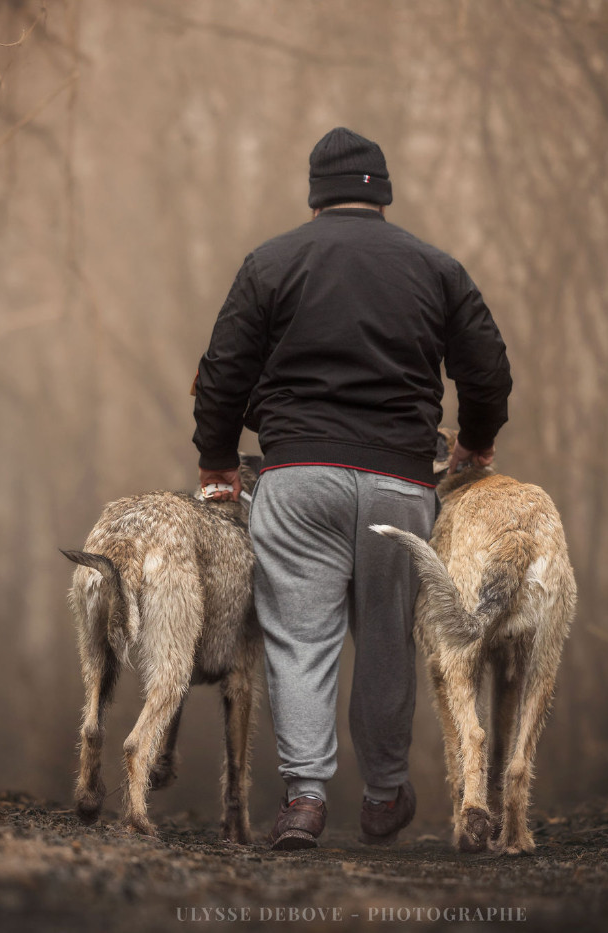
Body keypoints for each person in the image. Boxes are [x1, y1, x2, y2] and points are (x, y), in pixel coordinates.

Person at [192, 127, 511, 850]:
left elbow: (223, 369)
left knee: (299, 638)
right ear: (384, 195)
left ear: (315, 198)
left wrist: (217, 460)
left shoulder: (271, 262)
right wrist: (475, 439)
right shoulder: (436, 267)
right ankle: (384, 792)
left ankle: (304, 799)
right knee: (388, 639)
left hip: (298, 479)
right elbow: (487, 367)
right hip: (402, 479)